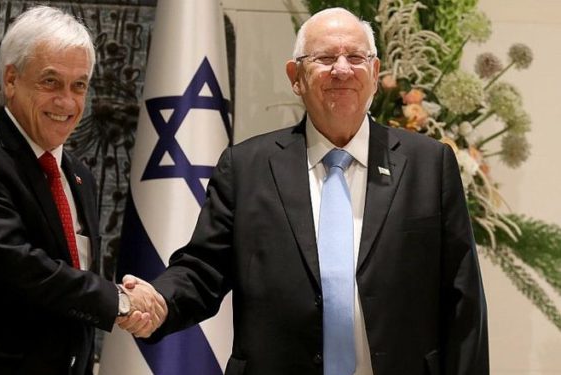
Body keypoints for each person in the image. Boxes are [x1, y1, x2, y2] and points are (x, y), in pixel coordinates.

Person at [118, 7, 489, 375]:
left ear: (375, 74)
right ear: (295, 76)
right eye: (325, 58)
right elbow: (202, 270)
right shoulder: (247, 168)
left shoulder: (430, 165)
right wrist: (160, 300)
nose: (342, 69)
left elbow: (463, 301)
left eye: (356, 58)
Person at [0, 6, 164, 375]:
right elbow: (20, 268)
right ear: (11, 80)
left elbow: (72, 289)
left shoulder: (78, 176)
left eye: (79, 86)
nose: (67, 102)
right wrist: (119, 301)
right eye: (50, 82)